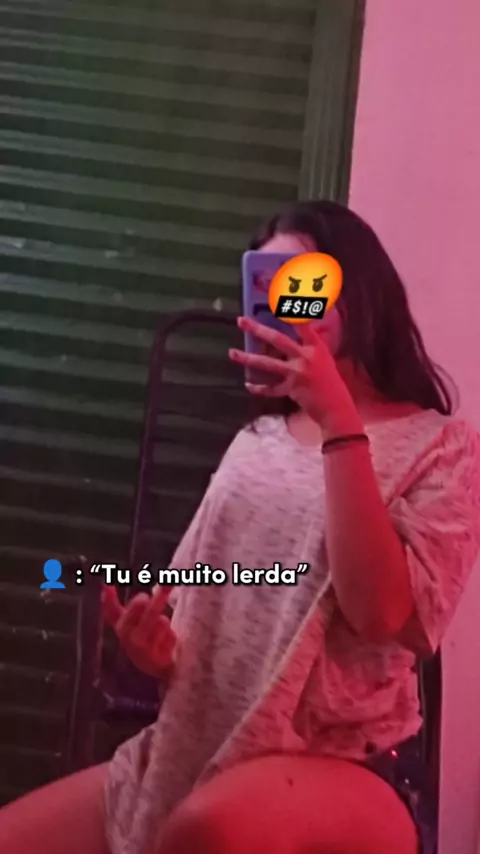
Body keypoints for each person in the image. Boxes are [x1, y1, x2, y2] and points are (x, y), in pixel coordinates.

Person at [1, 200, 479, 854]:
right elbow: (202, 605)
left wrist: (341, 425)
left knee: (208, 830)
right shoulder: (257, 440)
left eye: (303, 283)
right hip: (191, 748)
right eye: (266, 287)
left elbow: (384, 613)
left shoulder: (442, 447)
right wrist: (159, 652)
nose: (286, 305)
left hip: (347, 766)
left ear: (361, 293)